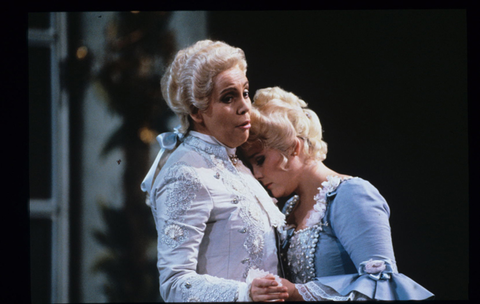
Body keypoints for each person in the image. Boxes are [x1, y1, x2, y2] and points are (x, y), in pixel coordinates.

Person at [242, 86, 435, 301]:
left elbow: (383, 286)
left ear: (293, 147)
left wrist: (298, 293)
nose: (257, 174)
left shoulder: (351, 194)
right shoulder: (290, 208)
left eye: (260, 160)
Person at [140, 40, 288, 302]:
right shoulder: (185, 172)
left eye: (245, 92)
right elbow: (174, 283)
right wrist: (244, 293)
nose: (245, 107)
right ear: (197, 112)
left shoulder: (237, 164)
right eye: (228, 98)